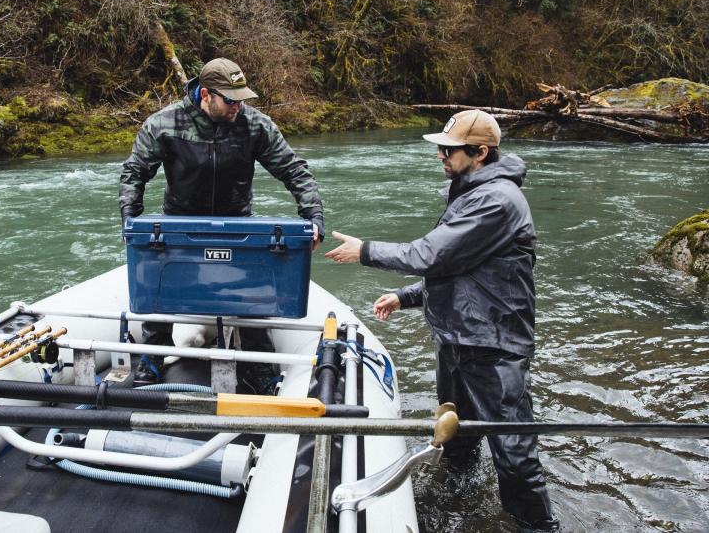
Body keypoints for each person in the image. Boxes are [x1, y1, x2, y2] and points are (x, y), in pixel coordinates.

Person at [324, 109, 560, 532]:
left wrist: (365, 250)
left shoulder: (495, 200)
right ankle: (460, 503)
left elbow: (429, 255)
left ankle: (537, 527)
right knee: (457, 437)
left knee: (514, 453)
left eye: (449, 149)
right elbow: (458, 269)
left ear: (481, 152)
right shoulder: (469, 193)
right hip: (458, 338)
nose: (440, 155)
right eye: (441, 147)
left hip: (494, 346)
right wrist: (405, 296)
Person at [119, 58, 324, 392]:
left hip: (237, 222)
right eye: (230, 100)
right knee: (155, 289)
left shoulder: (255, 125)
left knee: (254, 295)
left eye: (241, 99)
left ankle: (260, 365)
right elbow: (135, 172)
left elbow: (293, 169)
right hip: (179, 224)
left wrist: (313, 216)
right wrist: (130, 221)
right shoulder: (164, 124)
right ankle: (154, 358)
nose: (237, 106)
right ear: (205, 95)